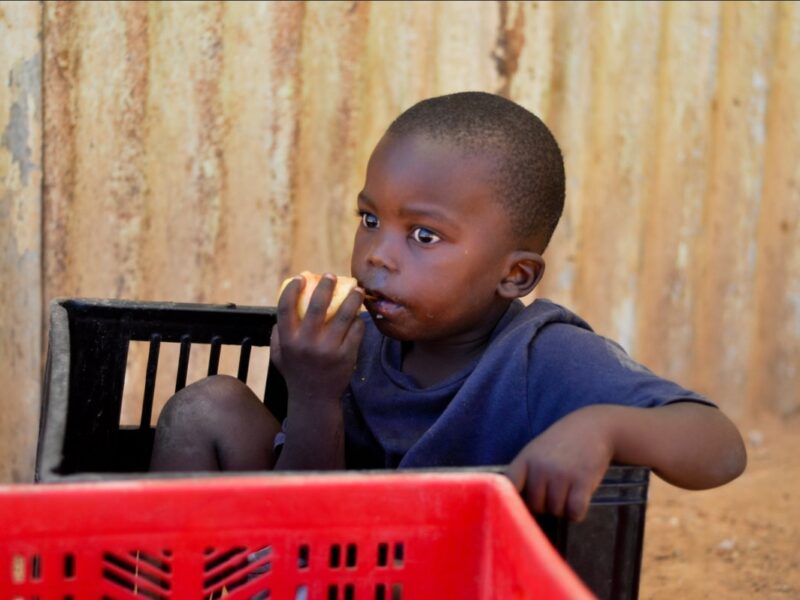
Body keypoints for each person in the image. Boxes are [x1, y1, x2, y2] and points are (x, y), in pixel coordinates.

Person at [150, 92, 746, 522]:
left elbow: (720, 447)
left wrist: (602, 426)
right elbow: (307, 518)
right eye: (370, 219)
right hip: (330, 564)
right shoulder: (353, 345)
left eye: (424, 236)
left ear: (514, 276)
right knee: (207, 408)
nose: (377, 256)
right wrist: (313, 392)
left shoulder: (542, 356)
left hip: (457, 576)